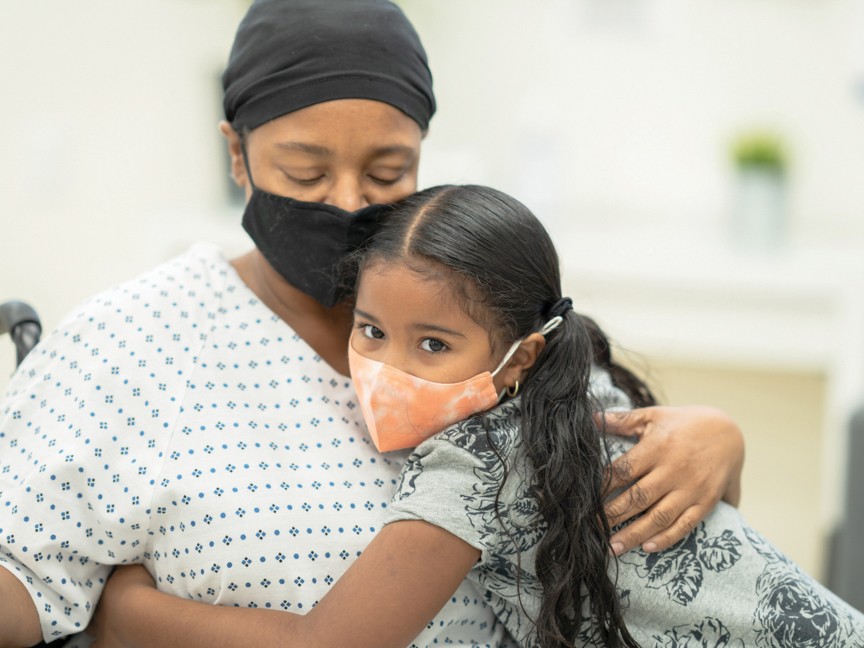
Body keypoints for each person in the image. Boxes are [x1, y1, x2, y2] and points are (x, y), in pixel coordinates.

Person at [0, 1, 743, 646]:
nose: (349, 202)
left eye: (388, 173)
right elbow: (23, 582)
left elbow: (660, 554)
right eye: (306, 173)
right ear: (237, 154)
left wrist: (717, 444)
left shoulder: (474, 310)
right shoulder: (131, 343)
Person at [90, 185, 864, 648]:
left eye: (433, 343)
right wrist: (723, 442)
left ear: (518, 358)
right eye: (370, 331)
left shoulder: (475, 463)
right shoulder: (582, 385)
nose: (389, 368)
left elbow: (332, 643)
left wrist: (127, 612)